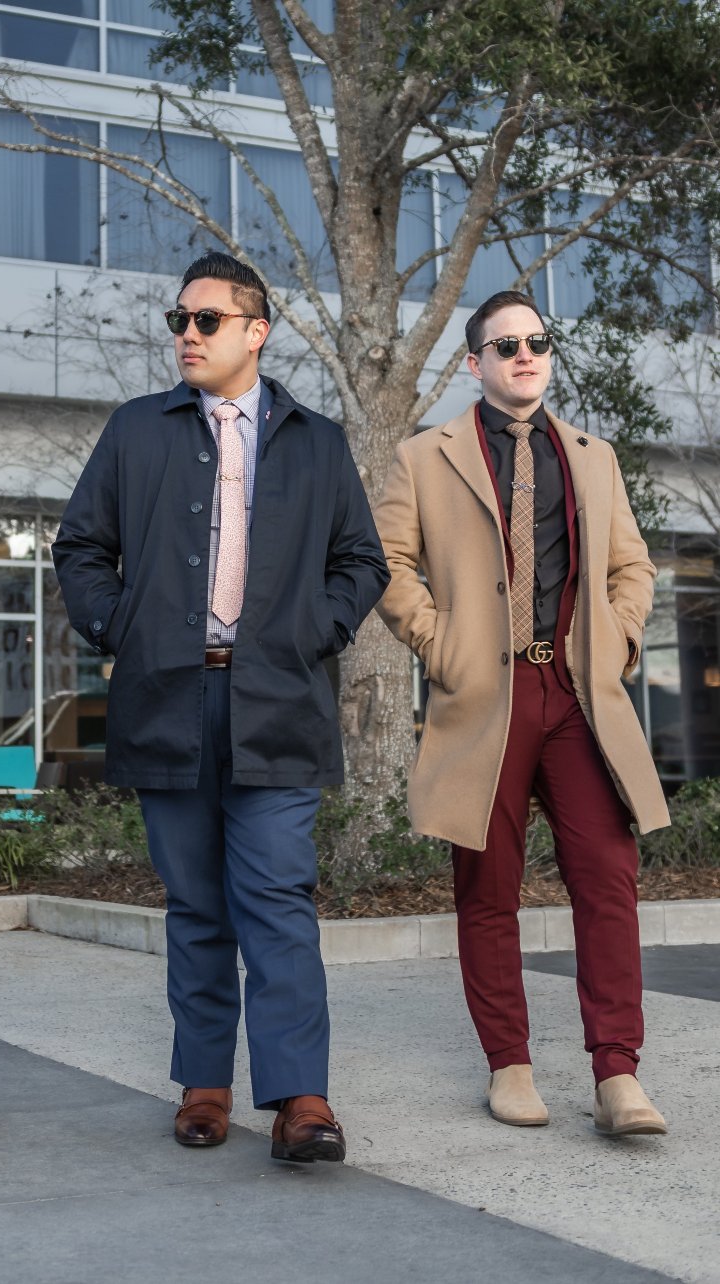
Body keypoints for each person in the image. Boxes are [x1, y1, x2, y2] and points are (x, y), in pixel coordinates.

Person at [53, 252, 388, 1163]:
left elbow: (362, 560)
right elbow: (81, 545)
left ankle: (301, 1099)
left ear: (256, 330)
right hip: (168, 695)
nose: (187, 335)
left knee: (279, 896)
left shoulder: (315, 441)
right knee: (196, 901)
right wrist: (121, 623)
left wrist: (312, 629)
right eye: (179, 320)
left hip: (279, 698)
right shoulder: (137, 431)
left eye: (207, 320)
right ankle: (206, 1084)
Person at [372, 290, 671, 1135]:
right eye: (504, 346)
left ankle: (618, 1072)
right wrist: (443, 647)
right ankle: (509, 1064)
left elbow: (632, 567)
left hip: (578, 695)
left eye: (536, 341)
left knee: (607, 878)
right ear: (475, 363)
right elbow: (386, 560)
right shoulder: (426, 457)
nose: (524, 355)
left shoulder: (592, 456)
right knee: (487, 886)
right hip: (485, 696)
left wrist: (614, 643)